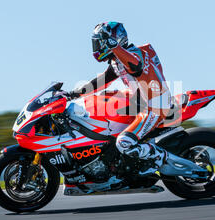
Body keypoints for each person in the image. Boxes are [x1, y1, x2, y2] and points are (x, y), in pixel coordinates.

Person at [68, 22, 172, 172]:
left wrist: (115, 47)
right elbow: (100, 82)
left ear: (113, 39)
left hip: (155, 106)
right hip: (141, 104)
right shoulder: (116, 61)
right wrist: (73, 94)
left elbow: (136, 67)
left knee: (124, 142)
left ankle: (159, 159)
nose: (97, 47)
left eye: (100, 42)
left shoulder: (135, 54)